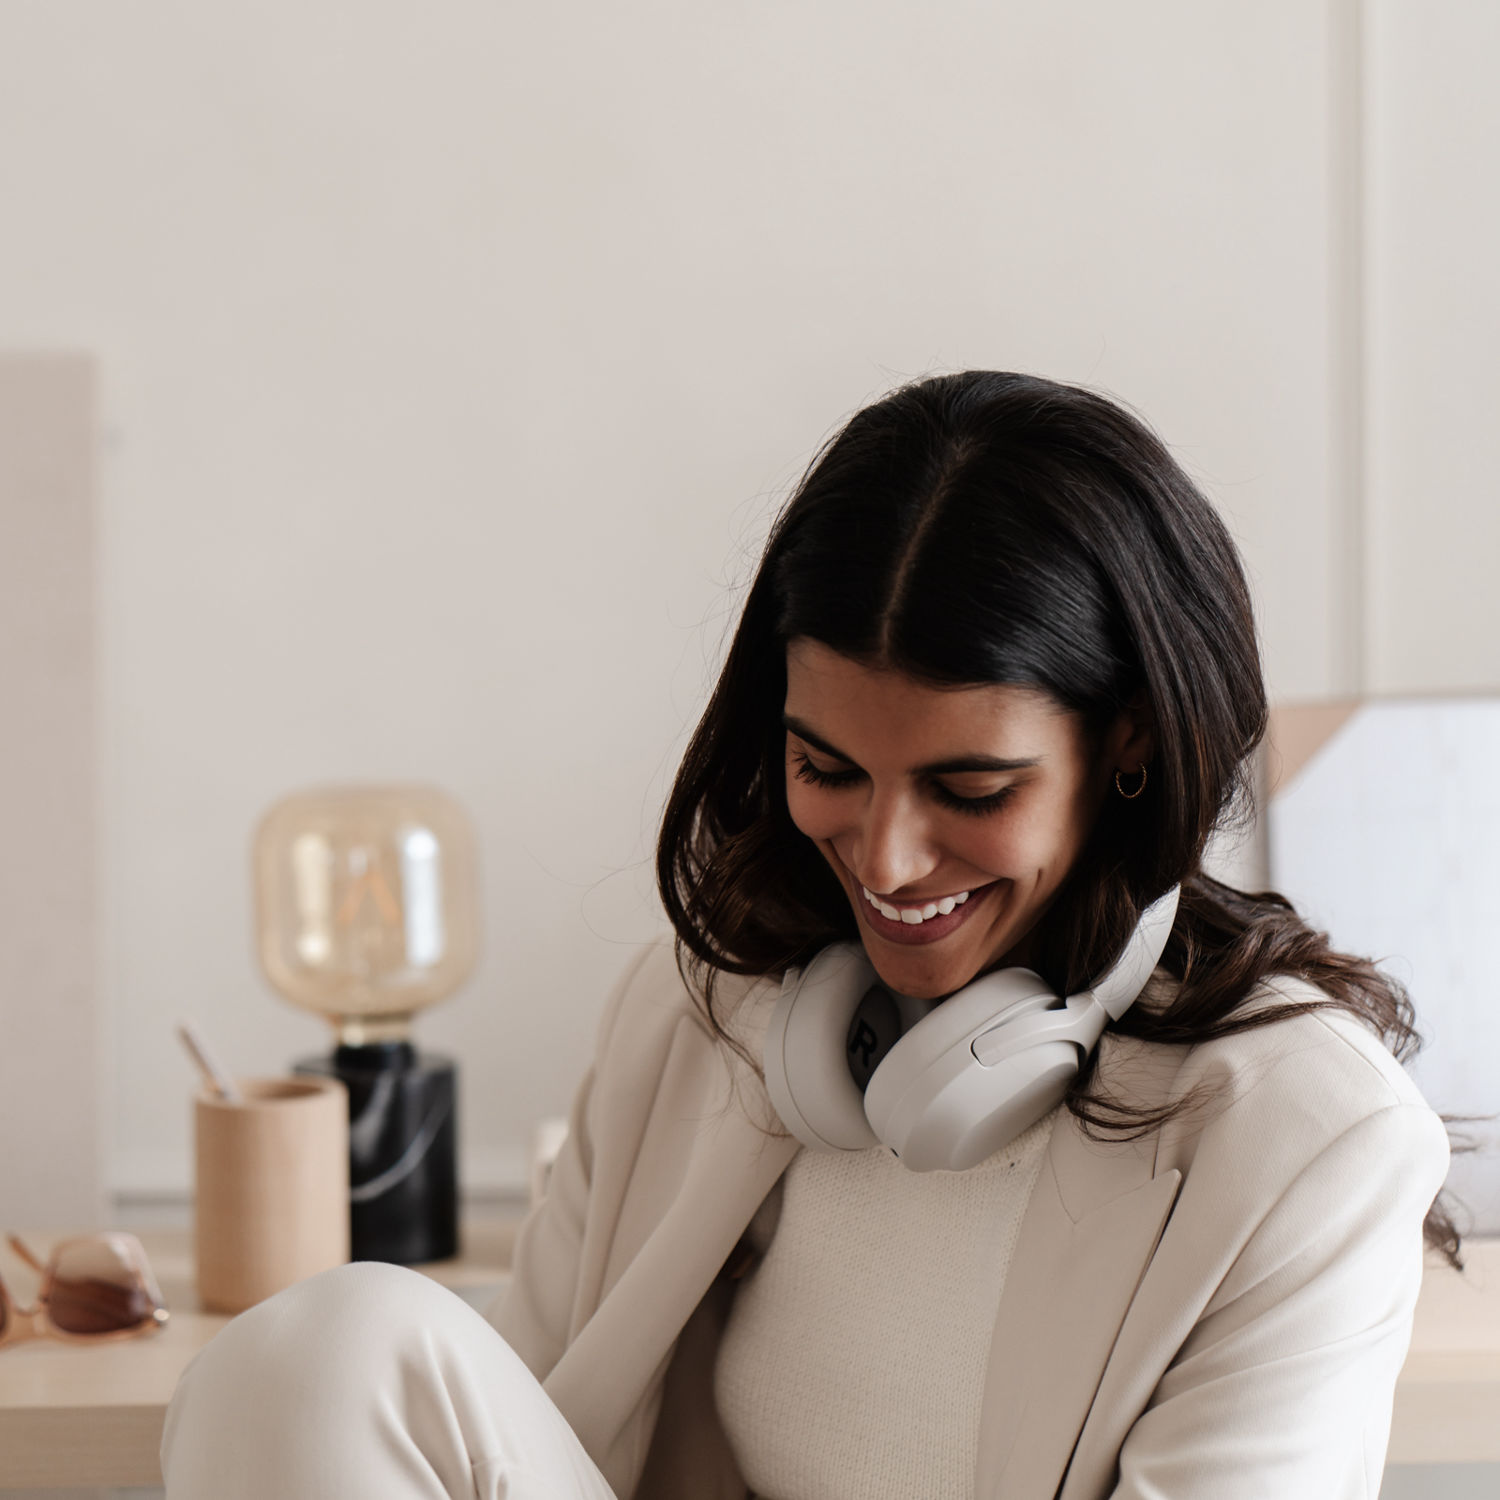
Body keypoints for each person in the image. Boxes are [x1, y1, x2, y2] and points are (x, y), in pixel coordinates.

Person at [161, 371, 1455, 1500]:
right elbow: (523, 1415)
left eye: (969, 788)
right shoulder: (703, 1017)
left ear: (1130, 746)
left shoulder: (1308, 1138)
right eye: (827, 768)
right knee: (326, 1355)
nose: (885, 861)